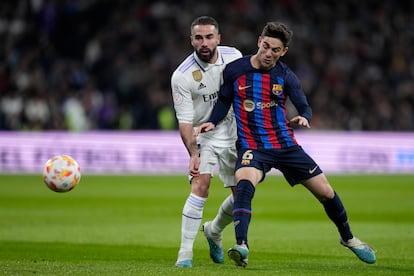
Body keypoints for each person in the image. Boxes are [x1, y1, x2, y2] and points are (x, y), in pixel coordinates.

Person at [196, 21, 376, 267]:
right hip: (253, 145)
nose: (269, 53)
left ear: (284, 52)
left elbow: (303, 104)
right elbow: (224, 101)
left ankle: (349, 238)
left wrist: (305, 116)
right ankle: (242, 245)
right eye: (266, 46)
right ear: (259, 41)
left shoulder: (285, 75)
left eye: (276, 50)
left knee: (326, 192)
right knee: (245, 183)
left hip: (285, 145)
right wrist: (212, 122)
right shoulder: (235, 70)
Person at [170, 16, 242, 268]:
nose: (204, 42)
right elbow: (185, 122)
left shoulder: (234, 56)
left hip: (235, 132)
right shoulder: (182, 75)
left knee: (242, 194)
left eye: (209, 37)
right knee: (200, 185)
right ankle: (185, 253)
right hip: (204, 134)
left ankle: (213, 229)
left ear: (218, 39)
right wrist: (192, 153)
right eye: (198, 37)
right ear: (191, 40)